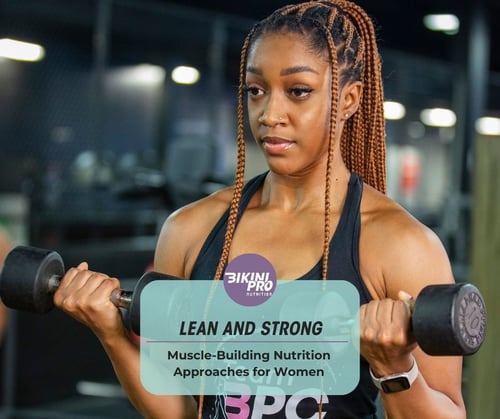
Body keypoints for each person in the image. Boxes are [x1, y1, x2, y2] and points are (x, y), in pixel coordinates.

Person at [53, 1, 466, 418]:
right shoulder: (191, 230)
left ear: (348, 99)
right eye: (256, 90)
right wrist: (112, 334)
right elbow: (182, 410)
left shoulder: (400, 245)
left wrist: (396, 367)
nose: (269, 114)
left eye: (298, 91)